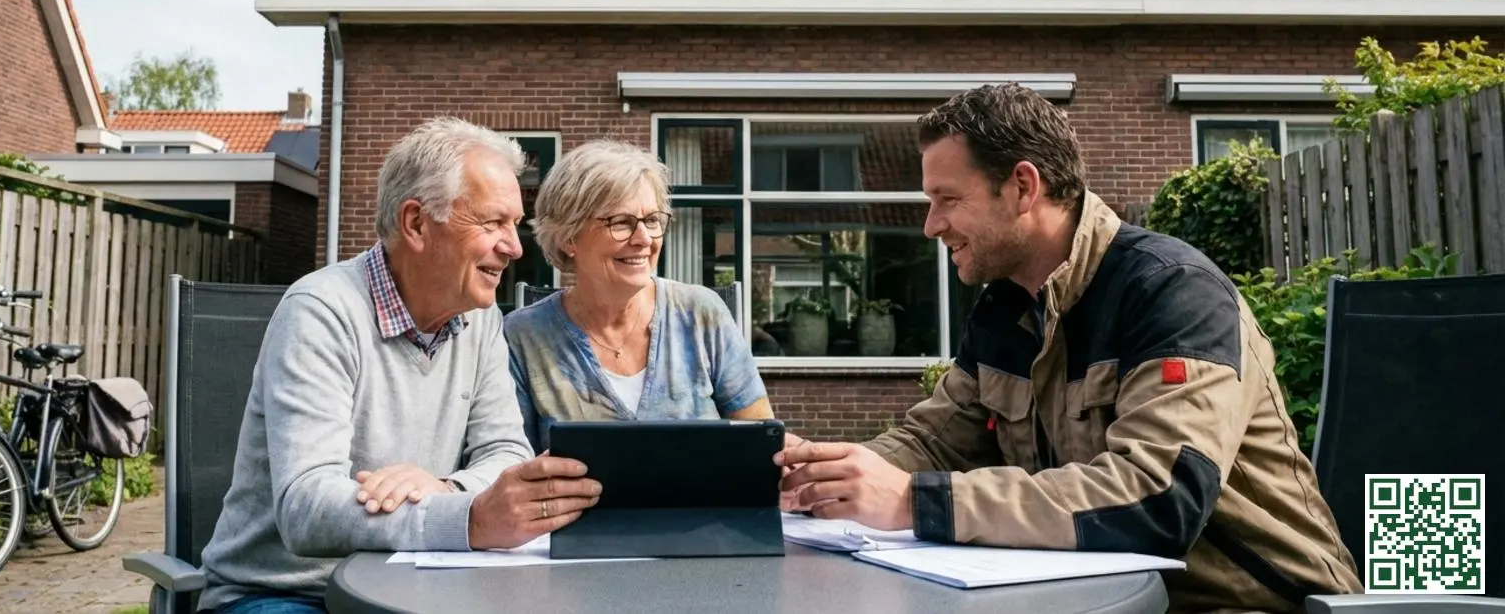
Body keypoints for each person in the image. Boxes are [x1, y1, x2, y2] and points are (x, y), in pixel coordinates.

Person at [776, 85, 1363, 613]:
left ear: (1023, 187)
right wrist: (824, 474)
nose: (931, 226)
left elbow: (1157, 497)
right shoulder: (1006, 308)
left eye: (948, 199)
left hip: (1260, 603)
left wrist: (913, 501)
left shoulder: (1173, 293)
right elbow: (932, 439)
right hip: (1088, 597)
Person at [198, 117, 603, 614]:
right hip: (287, 592)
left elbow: (505, 452)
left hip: (417, 582)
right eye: (492, 223)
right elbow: (305, 507)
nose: (515, 247)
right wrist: (469, 518)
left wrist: (445, 488)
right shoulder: (322, 311)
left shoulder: (480, 323)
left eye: (515, 225)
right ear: (416, 224)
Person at [504, 138, 772, 453]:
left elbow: (762, 442)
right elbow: (512, 466)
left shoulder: (700, 314)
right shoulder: (522, 338)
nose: (644, 239)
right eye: (621, 222)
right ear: (568, 237)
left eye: (652, 220)